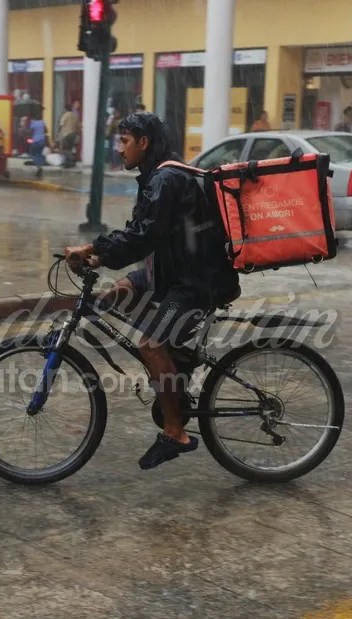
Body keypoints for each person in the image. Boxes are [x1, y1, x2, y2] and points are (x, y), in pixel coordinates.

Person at [63, 112, 240, 471]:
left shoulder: (166, 178)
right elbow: (142, 234)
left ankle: (175, 431)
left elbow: (143, 236)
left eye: (125, 141)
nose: (120, 149)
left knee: (149, 344)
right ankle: (177, 359)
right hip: (172, 271)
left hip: (196, 280)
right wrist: (100, 261)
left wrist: (93, 248)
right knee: (121, 293)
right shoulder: (156, 178)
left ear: (143, 142)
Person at [57, 104, 81, 168]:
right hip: (73, 134)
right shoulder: (75, 115)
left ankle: (72, 159)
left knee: (63, 149)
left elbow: (61, 124)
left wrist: (58, 132)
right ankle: (68, 163)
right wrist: (78, 134)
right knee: (69, 149)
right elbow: (78, 126)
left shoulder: (65, 115)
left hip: (66, 134)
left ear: (65, 109)